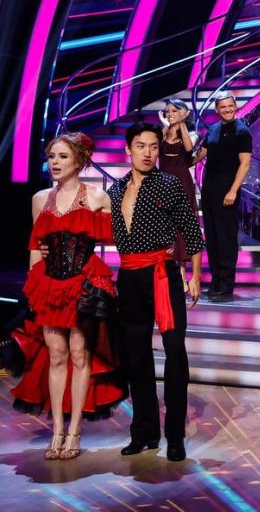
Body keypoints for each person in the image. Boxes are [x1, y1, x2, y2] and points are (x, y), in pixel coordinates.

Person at [12, 133, 126, 460]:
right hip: (49, 284)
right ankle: (57, 430)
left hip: (83, 282)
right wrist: (34, 288)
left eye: (62, 157)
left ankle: (75, 430)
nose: (55, 163)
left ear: (79, 160)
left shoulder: (97, 197)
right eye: (51, 157)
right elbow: (36, 245)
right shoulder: (40, 198)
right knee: (57, 354)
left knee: (79, 353)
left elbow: (121, 233)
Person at [109, 122, 205, 462]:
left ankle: (174, 436)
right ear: (129, 149)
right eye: (141, 146)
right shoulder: (115, 188)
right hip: (129, 277)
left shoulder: (170, 184)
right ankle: (145, 432)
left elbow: (192, 231)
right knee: (135, 356)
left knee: (175, 354)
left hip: (163, 275)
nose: (148, 152)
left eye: (153, 146)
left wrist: (194, 275)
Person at [193, 93, 251, 299]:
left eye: (230, 106)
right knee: (213, 235)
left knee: (226, 237)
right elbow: (201, 154)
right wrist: (182, 160)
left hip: (228, 186)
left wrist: (233, 190)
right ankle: (216, 279)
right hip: (210, 186)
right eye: (222, 107)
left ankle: (226, 282)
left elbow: (245, 164)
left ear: (235, 106)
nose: (227, 109)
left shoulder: (243, 132)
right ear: (216, 110)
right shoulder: (213, 129)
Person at [158, 99, 199, 280]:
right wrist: (165, 126)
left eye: (175, 110)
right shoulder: (164, 133)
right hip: (163, 182)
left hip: (181, 183)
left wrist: (181, 123)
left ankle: (182, 273)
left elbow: (189, 148)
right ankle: (166, 270)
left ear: (184, 112)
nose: (170, 113)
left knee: (181, 227)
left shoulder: (192, 133)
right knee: (165, 225)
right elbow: (155, 147)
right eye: (168, 111)